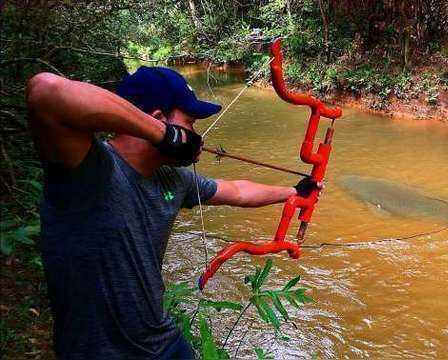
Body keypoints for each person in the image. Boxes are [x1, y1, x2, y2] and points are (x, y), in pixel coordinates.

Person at [26, 66, 319, 359]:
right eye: (190, 123)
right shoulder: (88, 168)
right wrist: (166, 136)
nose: (196, 136)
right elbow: (44, 92)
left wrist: (293, 192)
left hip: (163, 342)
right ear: (156, 119)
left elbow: (237, 191)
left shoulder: (171, 179)